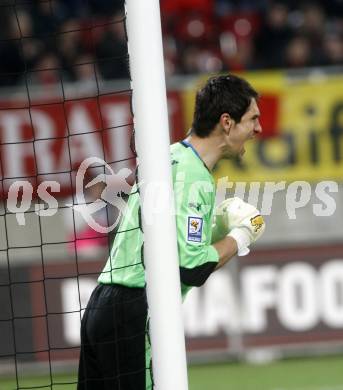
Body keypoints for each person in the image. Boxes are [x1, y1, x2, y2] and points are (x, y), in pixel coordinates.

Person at [77, 74, 265, 390]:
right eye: (253, 119)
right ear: (227, 122)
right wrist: (243, 235)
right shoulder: (194, 178)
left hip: (101, 305)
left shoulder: (169, 156)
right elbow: (192, 266)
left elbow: (166, 238)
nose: (259, 129)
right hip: (136, 311)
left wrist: (216, 225)